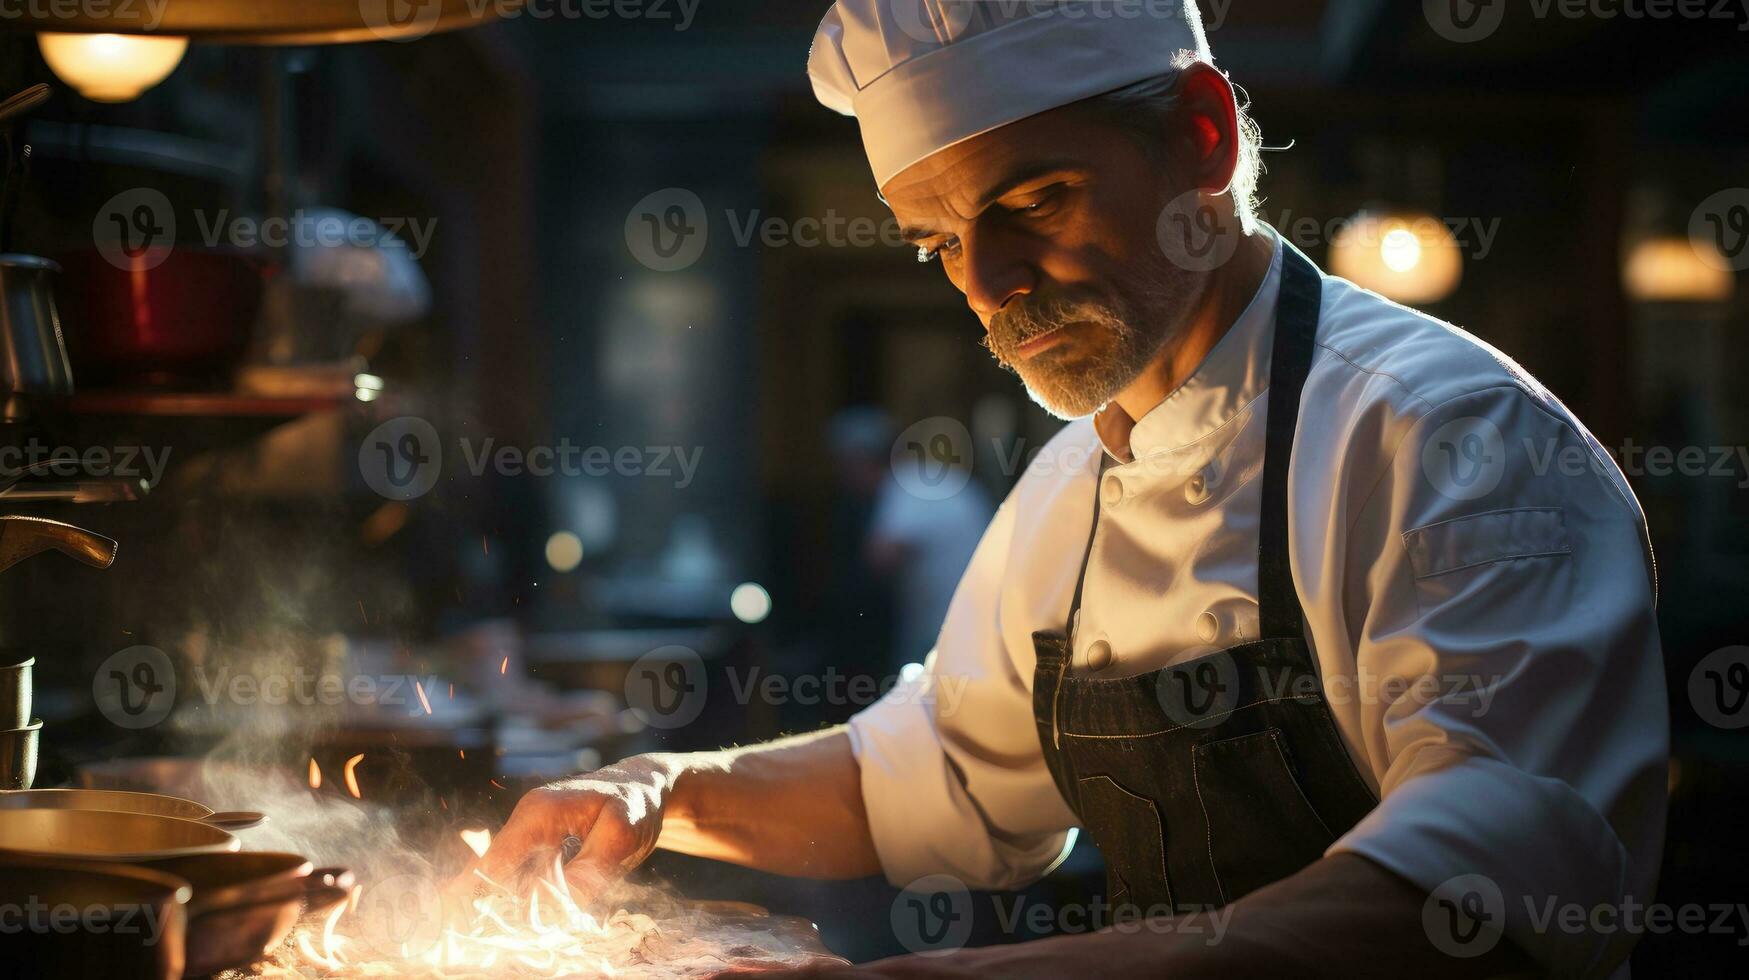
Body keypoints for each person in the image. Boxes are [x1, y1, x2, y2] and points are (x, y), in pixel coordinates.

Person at [477, 3, 1666, 975]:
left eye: (1033, 202)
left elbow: (1481, 892)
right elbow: (928, 771)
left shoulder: (1445, 436)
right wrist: (657, 784)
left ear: (1203, 135)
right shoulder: (1075, 479)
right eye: (936, 241)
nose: (988, 283)